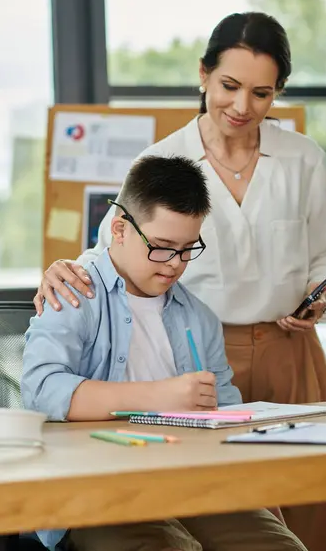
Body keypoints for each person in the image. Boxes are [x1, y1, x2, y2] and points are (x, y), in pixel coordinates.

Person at [34, 12, 326, 551]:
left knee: (307, 513)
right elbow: (116, 246)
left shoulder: (303, 159)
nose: (242, 106)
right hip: (194, 361)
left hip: (285, 350)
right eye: (229, 86)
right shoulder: (163, 161)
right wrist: (67, 271)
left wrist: (324, 296)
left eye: (262, 93)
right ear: (203, 75)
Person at [22, 156, 307, 551]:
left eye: (189, 248)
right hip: (97, 490)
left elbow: (230, 422)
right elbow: (41, 390)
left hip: (196, 483)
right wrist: (161, 396)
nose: (175, 264)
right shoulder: (72, 294)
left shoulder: (199, 318)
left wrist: (260, 499)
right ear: (119, 229)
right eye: (162, 247)